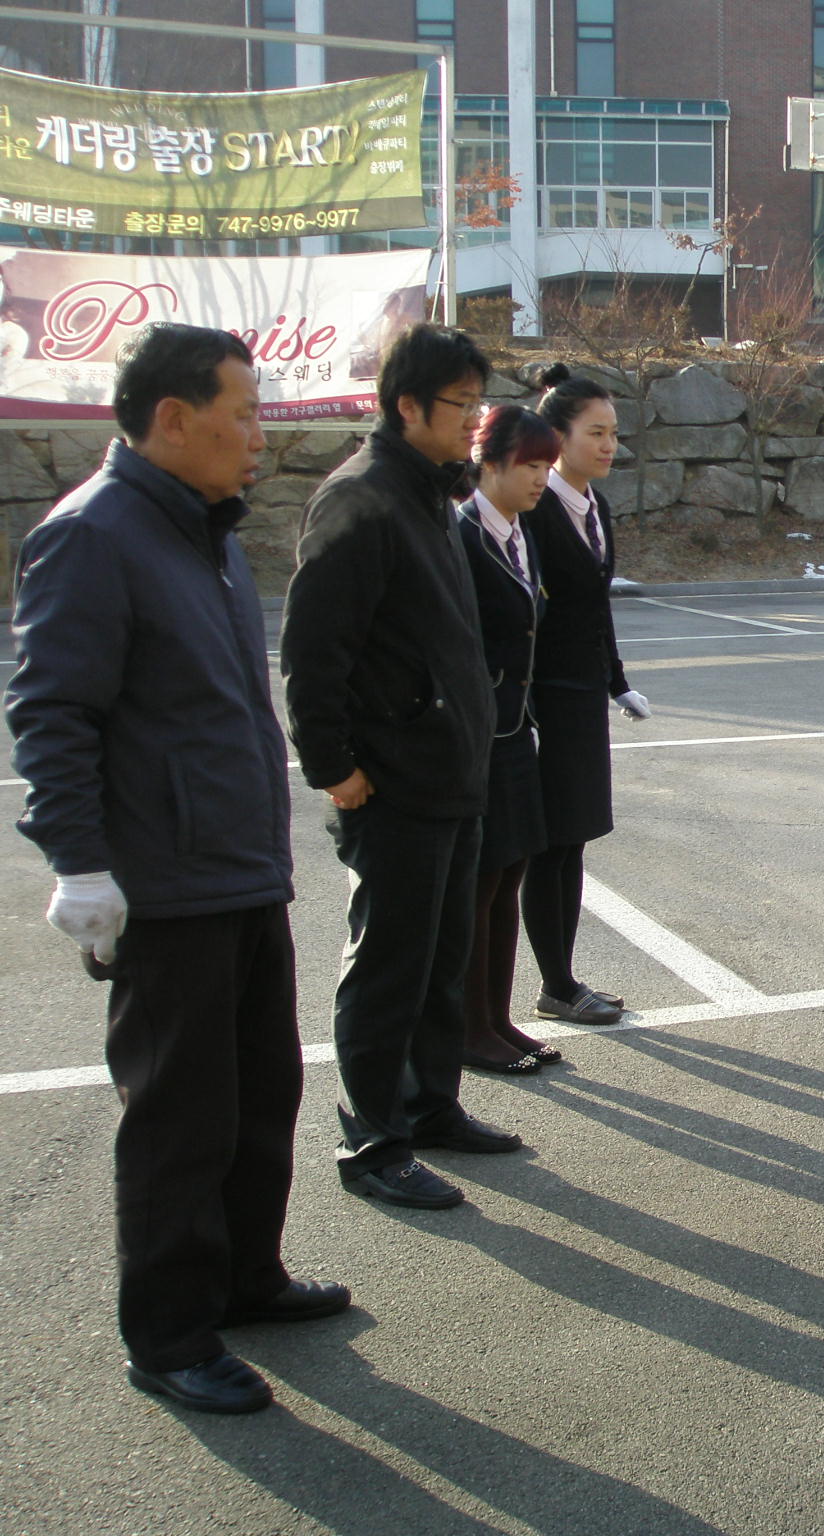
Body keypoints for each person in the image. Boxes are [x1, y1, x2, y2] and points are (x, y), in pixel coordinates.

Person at [7, 323, 348, 1415]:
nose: (258, 435)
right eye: (242, 414)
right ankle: (168, 1333)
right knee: (178, 1117)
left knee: (261, 1091)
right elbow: (52, 712)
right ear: (172, 418)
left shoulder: (203, 531)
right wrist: (80, 863)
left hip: (239, 869)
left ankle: (245, 1277)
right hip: (166, 884)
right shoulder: (93, 535)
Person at [279, 323, 521, 1212]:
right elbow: (313, 651)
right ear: (407, 406)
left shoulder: (430, 494)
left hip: (450, 775)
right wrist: (332, 767)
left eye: (479, 402)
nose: (474, 420)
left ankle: (429, 1107)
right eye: (461, 404)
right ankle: (374, 1142)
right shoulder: (363, 498)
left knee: (440, 959)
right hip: (391, 782)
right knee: (387, 967)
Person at [523, 364, 649, 1026]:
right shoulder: (535, 508)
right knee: (550, 843)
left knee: (572, 839)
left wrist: (617, 681)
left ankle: (562, 980)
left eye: (613, 433)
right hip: (542, 699)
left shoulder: (592, 505)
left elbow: (597, 606)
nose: (608, 446)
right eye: (595, 433)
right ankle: (557, 984)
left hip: (581, 696)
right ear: (557, 437)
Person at [456, 406, 563, 1074]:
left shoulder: (523, 534)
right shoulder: (461, 534)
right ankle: (470, 1028)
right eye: (530, 465)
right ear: (489, 461)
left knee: (511, 873)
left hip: (518, 729)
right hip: (478, 736)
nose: (540, 479)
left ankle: (497, 1018)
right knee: (481, 882)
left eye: (547, 466)